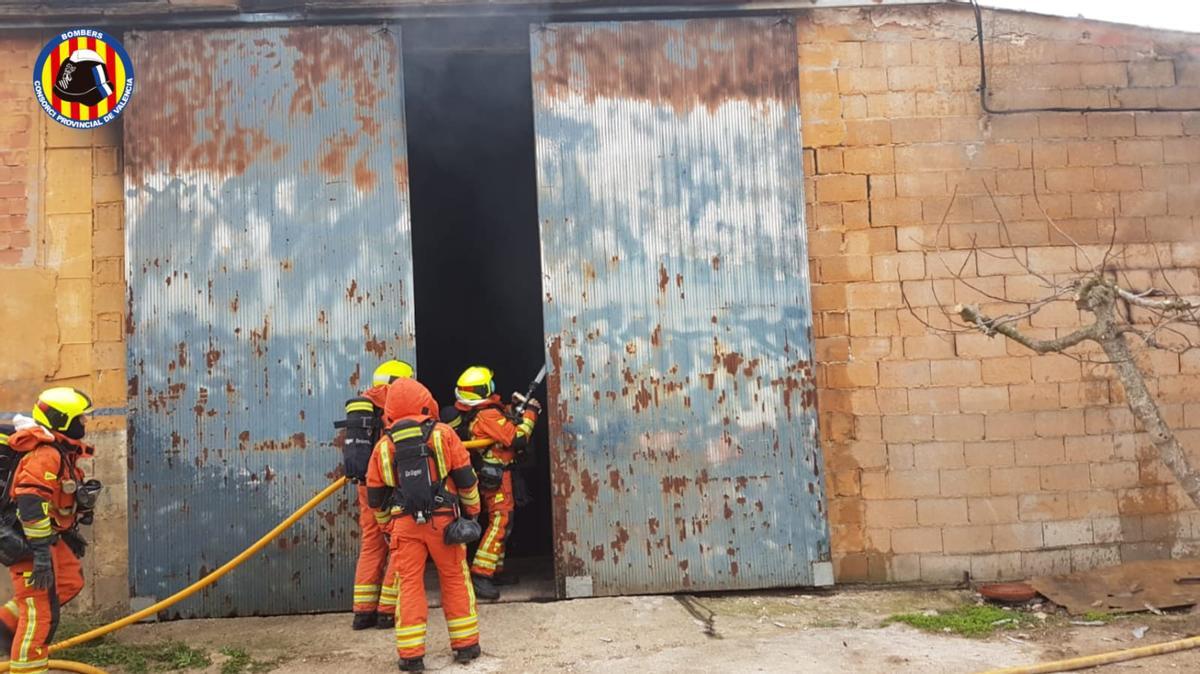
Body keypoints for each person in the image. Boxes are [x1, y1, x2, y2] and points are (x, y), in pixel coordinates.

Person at [366, 377, 482, 672]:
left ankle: (411, 655)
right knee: (455, 578)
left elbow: (375, 497)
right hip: (444, 522)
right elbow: (466, 478)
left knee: (409, 586)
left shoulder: (383, 445)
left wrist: (387, 528)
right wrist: (472, 511)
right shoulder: (443, 434)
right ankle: (466, 645)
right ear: (425, 402)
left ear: (389, 411)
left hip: (404, 526)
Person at [0, 388, 100, 674]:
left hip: (45, 539)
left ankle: (4, 627)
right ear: (62, 420)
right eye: (80, 418)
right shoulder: (45, 454)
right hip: (27, 544)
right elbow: (31, 504)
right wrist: (42, 554)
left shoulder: (61, 449)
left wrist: (69, 532)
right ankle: (26, 669)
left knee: (69, 581)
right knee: (39, 616)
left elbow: (57, 501)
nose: (85, 422)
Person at [450, 366, 540, 600]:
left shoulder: (482, 412)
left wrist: (513, 408)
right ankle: (481, 574)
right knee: (500, 522)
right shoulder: (486, 414)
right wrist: (531, 412)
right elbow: (517, 438)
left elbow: (502, 425)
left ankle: (494, 570)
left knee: (502, 522)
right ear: (483, 389)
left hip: (495, 475)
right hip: (498, 477)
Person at [349, 359, 413, 630]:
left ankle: (362, 613)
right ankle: (387, 610)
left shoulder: (365, 404)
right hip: (389, 485)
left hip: (365, 487)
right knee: (399, 542)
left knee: (372, 544)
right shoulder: (393, 403)